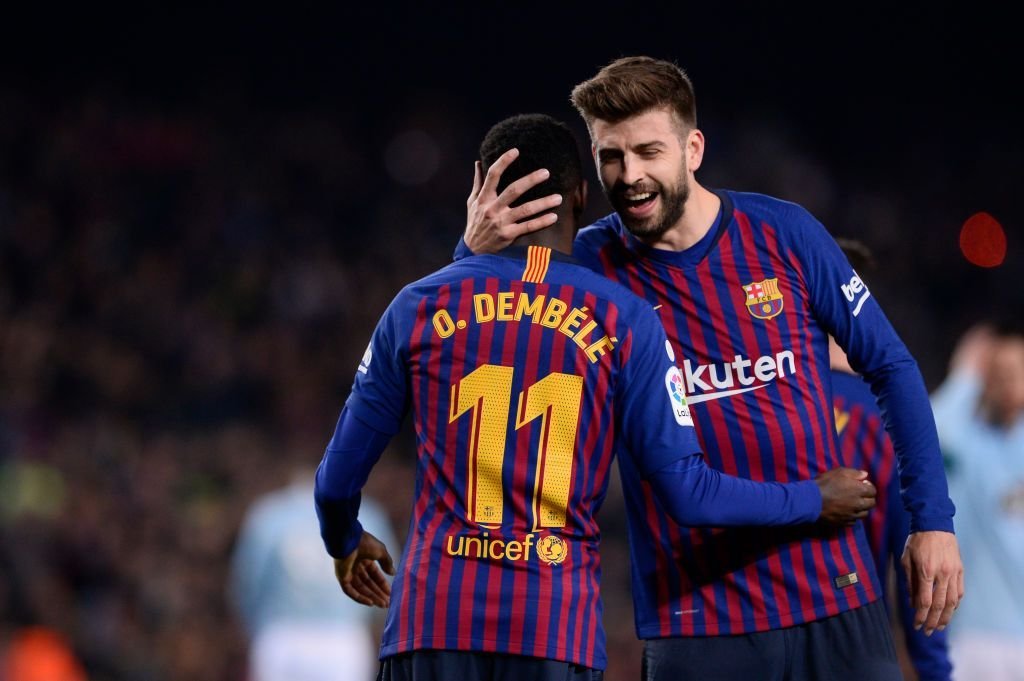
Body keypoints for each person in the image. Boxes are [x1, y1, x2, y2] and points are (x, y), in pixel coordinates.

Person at [314, 114, 878, 681]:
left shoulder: (418, 305)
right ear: (583, 195)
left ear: (480, 191)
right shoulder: (625, 318)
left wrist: (345, 540)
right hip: (555, 632)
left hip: (433, 623)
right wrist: (811, 498)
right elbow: (689, 494)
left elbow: (336, 483)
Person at [461, 57, 962, 680]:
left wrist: (932, 522)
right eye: (612, 156)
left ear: (693, 149)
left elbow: (891, 367)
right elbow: (481, 355)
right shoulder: (586, 268)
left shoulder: (784, 234)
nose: (631, 175)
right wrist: (470, 253)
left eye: (649, 151)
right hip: (696, 620)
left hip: (834, 593)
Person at [829, 239, 952, 680]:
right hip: (855, 648)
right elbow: (918, 559)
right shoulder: (894, 421)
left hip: (751, 641)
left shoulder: (751, 404)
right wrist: (933, 669)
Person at [230, 468, 397, 681]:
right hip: (342, 637)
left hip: (281, 635)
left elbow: (248, 581)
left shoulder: (269, 513)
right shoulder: (366, 514)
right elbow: (387, 580)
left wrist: (253, 625)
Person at [930, 323, 1024, 681]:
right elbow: (928, 431)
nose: (1007, 380)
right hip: (972, 636)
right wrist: (964, 377)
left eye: (1016, 370)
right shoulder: (968, 446)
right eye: (997, 371)